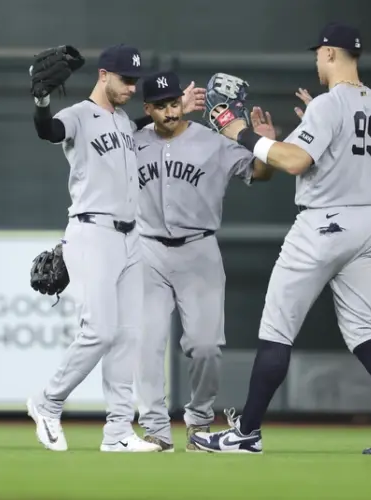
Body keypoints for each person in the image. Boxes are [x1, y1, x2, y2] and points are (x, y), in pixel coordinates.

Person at [189, 22, 371, 455]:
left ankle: (246, 433)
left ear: (333, 54)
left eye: (319, 53)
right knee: (363, 329)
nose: (317, 60)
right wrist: (290, 135)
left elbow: (297, 163)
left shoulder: (330, 105)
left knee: (277, 327)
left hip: (324, 223)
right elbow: (343, 156)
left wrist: (238, 133)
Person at [25, 44, 204, 453]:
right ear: (103, 75)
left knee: (128, 337)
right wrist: (40, 101)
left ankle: (118, 432)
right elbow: (47, 130)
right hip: (93, 232)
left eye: (134, 81)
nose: (130, 87)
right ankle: (47, 401)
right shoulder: (78, 116)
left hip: (130, 237)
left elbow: (143, 121)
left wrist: (180, 111)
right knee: (101, 330)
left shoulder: (122, 119)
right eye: (125, 79)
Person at [132, 70, 274, 452]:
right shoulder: (132, 141)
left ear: (183, 102)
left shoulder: (213, 142)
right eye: (160, 106)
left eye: (174, 102)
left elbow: (259, 172)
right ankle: (156, 430)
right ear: (148, 109)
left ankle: (198, 421)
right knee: (147, 343)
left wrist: (266, 145)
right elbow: (99, 143)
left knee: (206, 345)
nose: (169, 111)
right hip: (149, 250)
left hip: (199, 249)